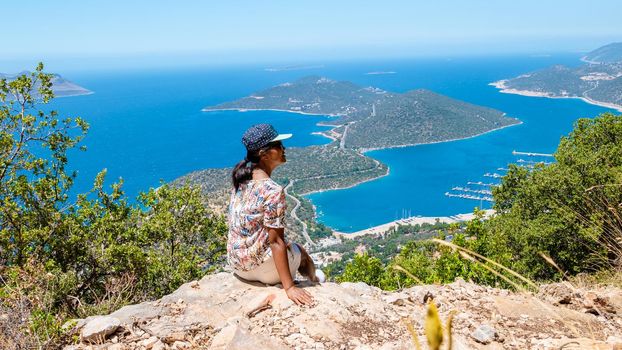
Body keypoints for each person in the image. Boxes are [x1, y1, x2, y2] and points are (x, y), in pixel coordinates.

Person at [227, 123, 323, 306]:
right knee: (298, 251)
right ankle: (315, 280)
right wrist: (289, 288)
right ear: (264, 154)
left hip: (238, 267)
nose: (283, 149)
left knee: (290, 246)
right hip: (262, 271)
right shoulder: (272, 190)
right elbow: (275, 241)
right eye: (278, 145)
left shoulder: (240, 182)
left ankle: (313, 277)